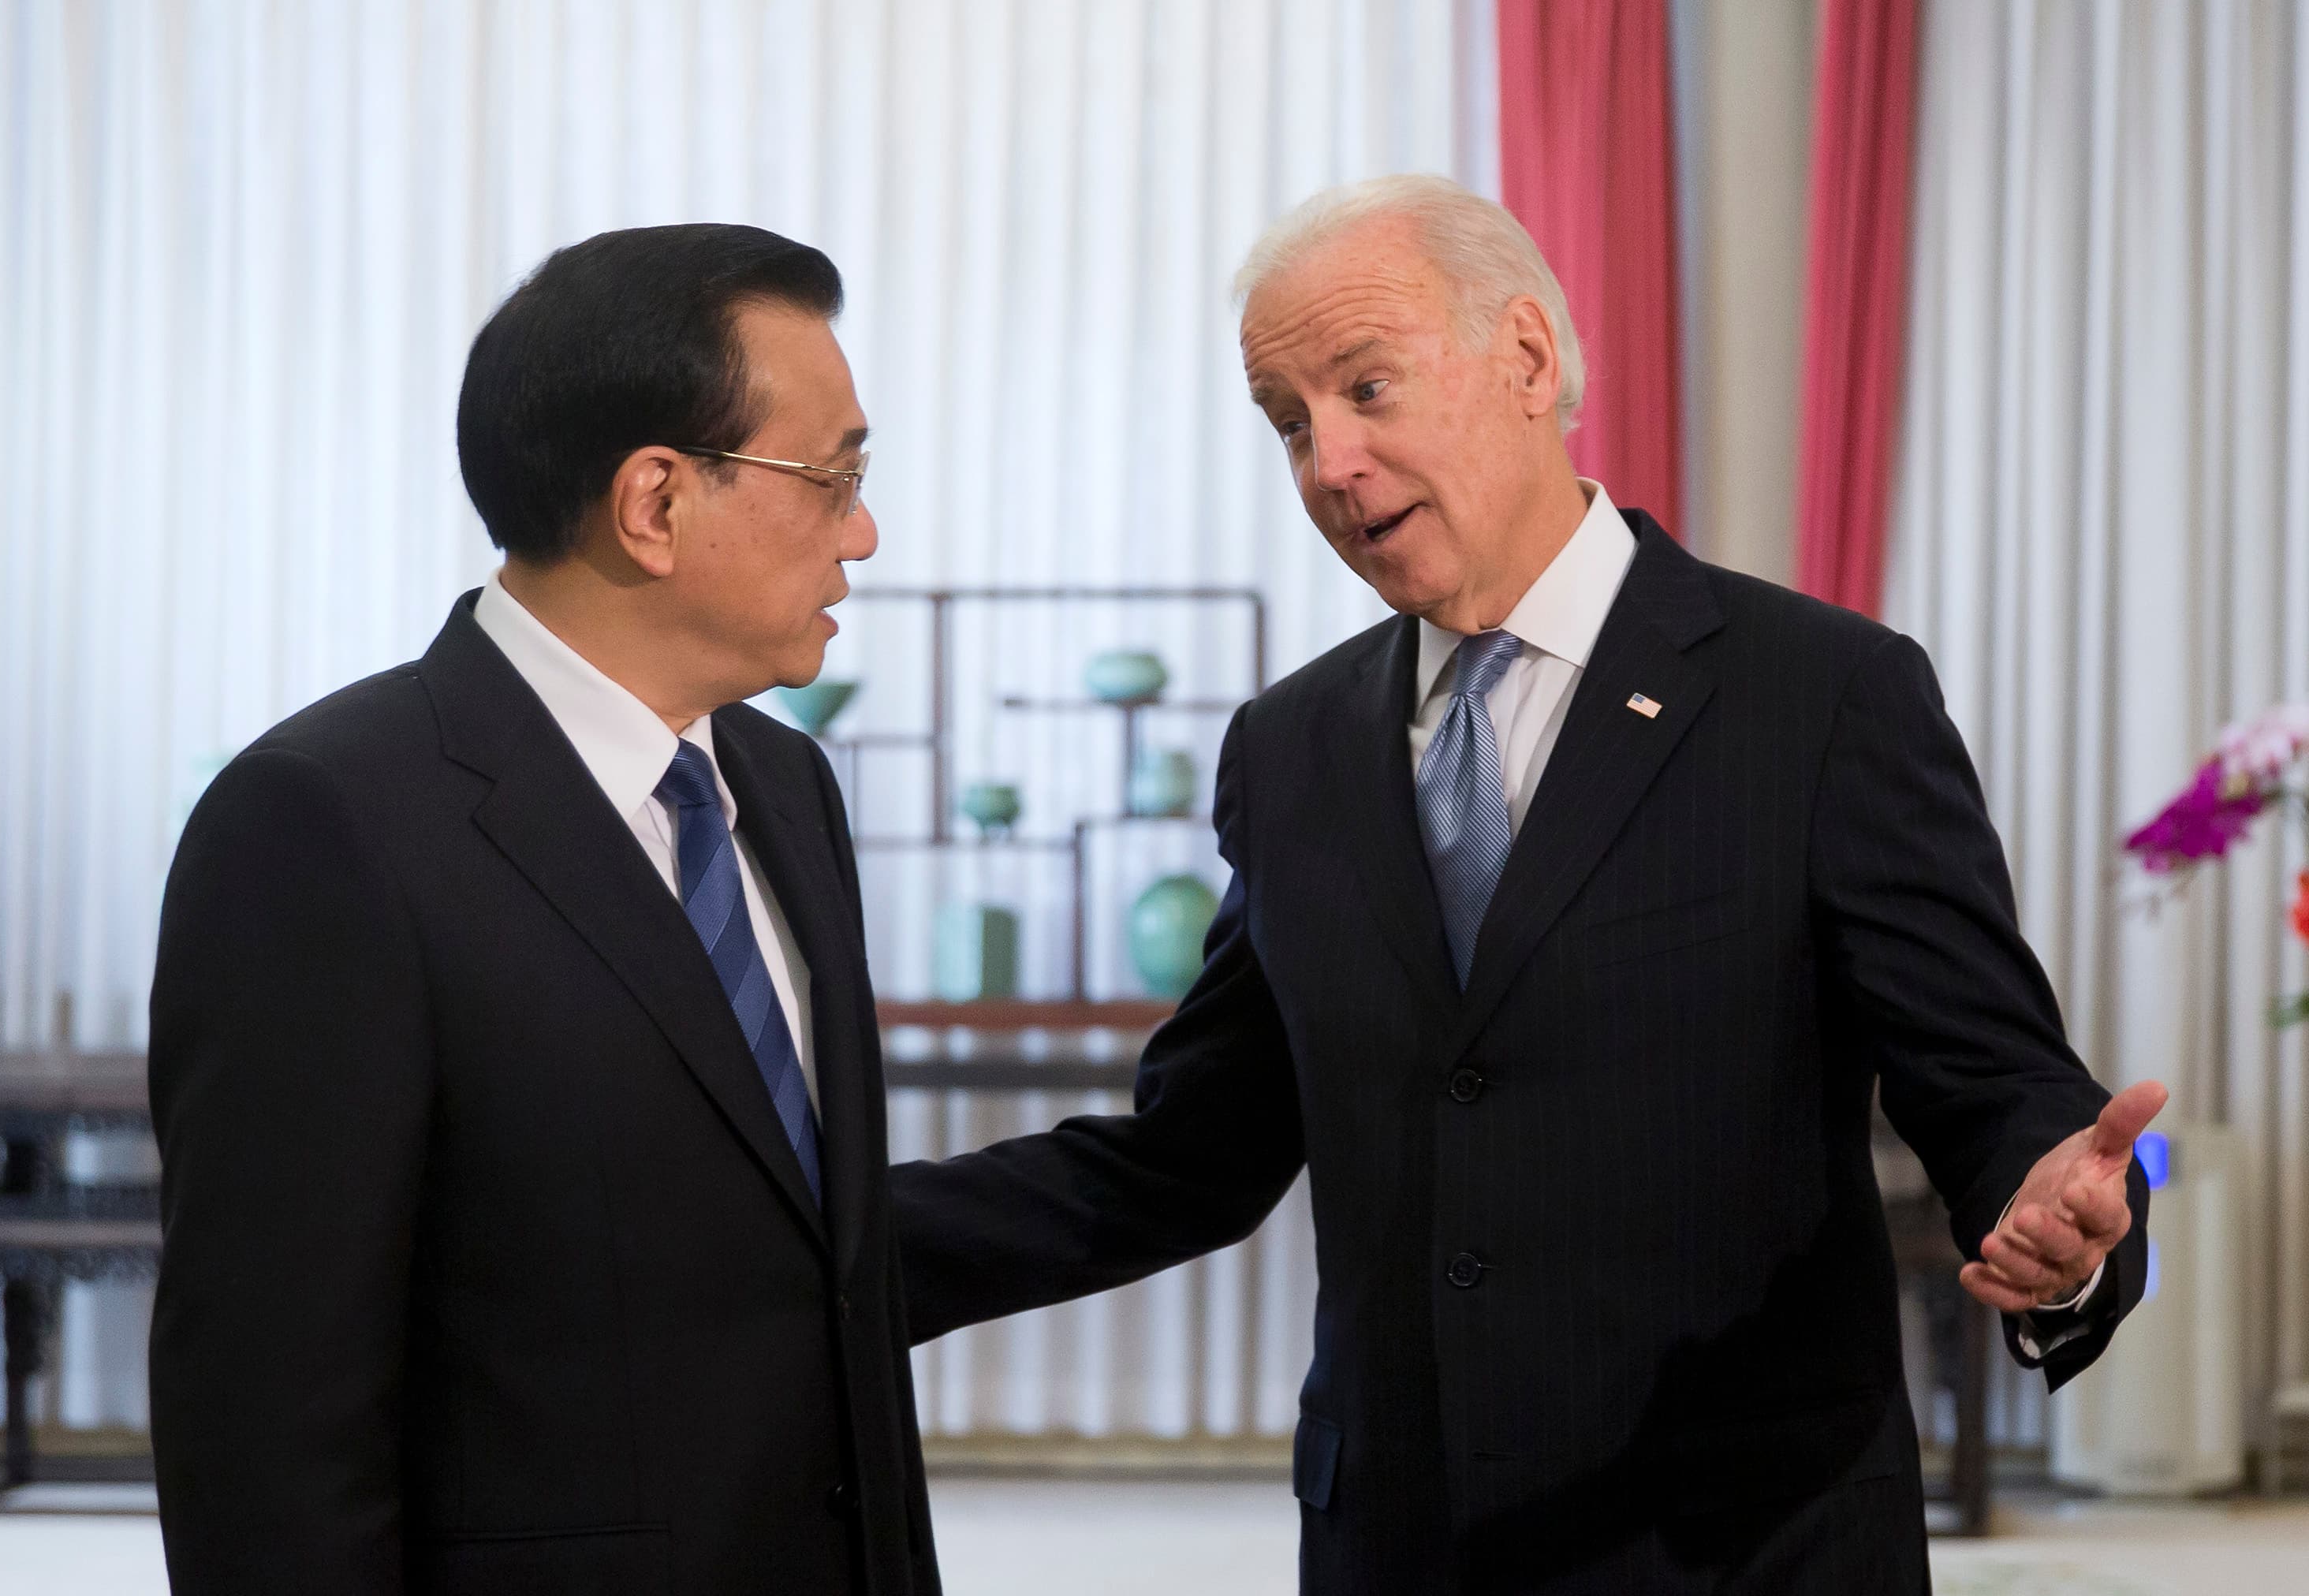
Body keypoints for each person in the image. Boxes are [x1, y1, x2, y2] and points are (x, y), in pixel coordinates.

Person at [889, 175, 2162, 1594]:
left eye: (1367, 389)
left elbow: (1992, 1085)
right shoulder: (1292, 748)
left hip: (1744, 1549)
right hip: (1401, 1545)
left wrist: (2059, 1228)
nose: (1330, 463)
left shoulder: (1824, 695)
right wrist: (810, 1255)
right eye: (1290, 425)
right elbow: (1194, 1153)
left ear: (1531, 359)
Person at [148, 224, 938, 1595]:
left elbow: (795, 1242)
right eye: (836, 477)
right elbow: (266, 1419)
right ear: (655, 503)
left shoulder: (781, 782)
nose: (862, 529)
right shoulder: (325, 821)